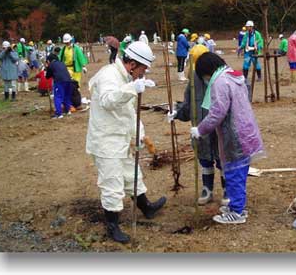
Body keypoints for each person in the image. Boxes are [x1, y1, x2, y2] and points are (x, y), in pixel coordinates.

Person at [86, 41, 166, 244]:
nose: (142, 74)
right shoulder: (109, 75)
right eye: (142, 69)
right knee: (112, 183)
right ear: (132, 64)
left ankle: (146, 207)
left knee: (132, 175)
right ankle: (112, 225)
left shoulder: (126, 77)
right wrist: (132, 88)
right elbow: (107, 100)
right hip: (105, 141)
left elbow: (129, 113)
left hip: (120, 137)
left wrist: (138, 135)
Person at [190, 52, 264, 224]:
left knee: (234, 172)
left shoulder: (220, 81)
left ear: (207, 72)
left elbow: (217, 113)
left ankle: (237, 212)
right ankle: (235, 205)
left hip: (234, 133)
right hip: (246, 130)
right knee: (240, 170)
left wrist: (200, 130)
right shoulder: (233, 76)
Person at [167, 44, 229, 206]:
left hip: (220, 129)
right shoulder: (194, 80)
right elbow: (188, 105)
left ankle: (227, 189)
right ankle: (207, 188)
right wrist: (177, 112)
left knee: (223, 160)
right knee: (204, 160)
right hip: (200, 130)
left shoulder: (223, 77)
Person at [45, 54, 73, 119]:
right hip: (69, 80)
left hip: (59, 82)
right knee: (66, 96)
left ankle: (59, 114)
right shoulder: (62, 63)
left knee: (58, 97)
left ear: (49, 61)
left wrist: (47, 68)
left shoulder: (51, 65)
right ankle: (67, 110)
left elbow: (47, 76)